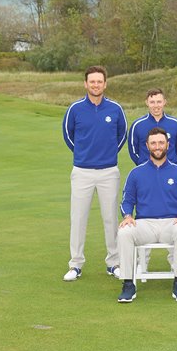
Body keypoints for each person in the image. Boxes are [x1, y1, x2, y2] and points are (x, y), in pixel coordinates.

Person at [62, 65, 127, 281]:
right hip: (82, 171)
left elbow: (121, 136)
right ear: (86, 84)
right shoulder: (75, 109)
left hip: (109, 171)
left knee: (110, 218)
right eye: (92, 81)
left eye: (100, 81)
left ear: (105, 84)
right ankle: (76, 264)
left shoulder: (115, 109)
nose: (96, 85)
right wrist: (84, 155)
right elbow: (68, 135)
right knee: (78, 218)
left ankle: (113, 262)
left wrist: (106, 155)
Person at [116, 127, 177, 303]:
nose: (157, 146)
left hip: (171, 223)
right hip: (145, 224)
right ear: (147, 145)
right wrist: (128, 215)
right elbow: (127, 200)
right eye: (153, 143)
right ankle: (128, 283)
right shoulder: (136, 173)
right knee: (124, 232)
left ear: (168, 145)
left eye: (161, 142)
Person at [128, 88, 177, 165]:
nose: (156, 105)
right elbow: (133, 150)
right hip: (146, 172)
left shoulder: (175, 123)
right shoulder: (137, 125)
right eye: (152, 102)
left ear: (164, 102)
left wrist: (172, 163)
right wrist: (143, 165)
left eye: (159, 102)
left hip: (169, 170)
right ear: (146, 103)